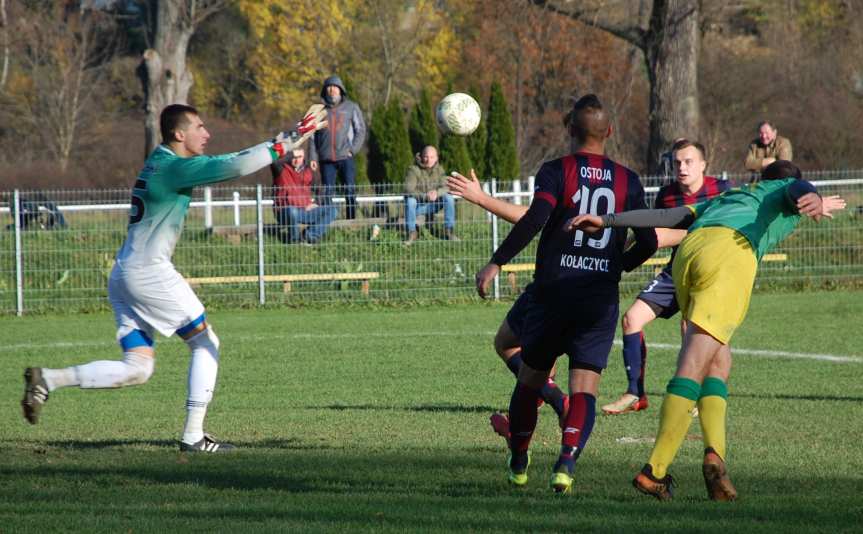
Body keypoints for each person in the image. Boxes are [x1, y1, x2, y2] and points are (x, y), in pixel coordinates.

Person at [19, 103, 327, 452]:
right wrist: (295, 135)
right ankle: (194, 436)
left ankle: (49, 379)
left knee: (138, 369)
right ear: (179, 135)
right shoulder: (174, 168)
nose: (206, 133)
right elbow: (236, 164)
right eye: (199, 127)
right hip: (148, 272)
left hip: (123, 273)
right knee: (205, 342)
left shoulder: (159, 161)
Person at [566, 160, 845, 501]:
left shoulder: (734, 195)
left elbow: (668, 218)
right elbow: (794, 188)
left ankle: (715, 458)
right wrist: (811, 194)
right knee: (693, 366)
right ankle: (653, 470)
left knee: (718, 362)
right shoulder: (785, 189)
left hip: (689, 255)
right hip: (727, 257)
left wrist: (609, 220)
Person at [474, 94, 658, 493]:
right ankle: (566, 462)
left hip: (553, 293)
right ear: (609, 132)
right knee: (585, 387)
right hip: (597, 299)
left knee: (530, 380)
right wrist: (616, 267)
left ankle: (520, 461)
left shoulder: (557, 170)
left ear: (569, 129)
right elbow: (648, 243)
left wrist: (497, 261)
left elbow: (536, 219)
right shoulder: (628, 180)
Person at [602, 139, 730, 415]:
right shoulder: (667, 195)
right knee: (631, 318)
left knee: (692, 328)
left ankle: (697, 396)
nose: (681, 167)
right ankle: (635, 393)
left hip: (711, 274)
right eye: (676, 162)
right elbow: (650, 236)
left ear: (704, 165)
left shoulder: (722, 191)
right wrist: (617, 255)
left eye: (688, 161)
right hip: (676, 271)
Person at [447, 169, 569, 440]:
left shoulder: (562, 171)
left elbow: (533, 218)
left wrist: (481, 199)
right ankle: (530, 418)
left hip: (552, 283)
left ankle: (554, 408)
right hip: (593, 289)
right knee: (544, 358)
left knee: (507, 343)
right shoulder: (611, 179)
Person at [309, 75, 366, 220]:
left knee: (350, 190)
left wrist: (352, 149)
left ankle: (351, 222)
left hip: (345, 156)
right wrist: (313, 157)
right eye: (329, 87)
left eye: (335, 87)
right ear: (325, 90)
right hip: (325, 158)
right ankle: (328, 222)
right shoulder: (317, 110)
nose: (332, 90)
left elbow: (361, 130)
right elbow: (310, 135)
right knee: (327, 192)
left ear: (341, 90)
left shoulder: (351, 107)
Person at [271, 147, 337, 244]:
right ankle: (295, 240)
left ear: (304, 157)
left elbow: (320, 189)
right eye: (294, 157)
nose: (297, 160)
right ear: (289, 157)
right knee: (291, 210)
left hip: (305, 210)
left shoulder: (309, 171)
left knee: (332, 210)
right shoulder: (280, 169)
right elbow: (274, 162)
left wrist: (316, 203)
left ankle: (310, 235)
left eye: (300, 157)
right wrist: (292, 153)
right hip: (285, 212)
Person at [404, 145, 459, 245]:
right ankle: (412, 233)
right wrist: (425, 196)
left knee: (449, 198)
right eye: (426, 156)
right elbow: (409, 189)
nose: (429, 160)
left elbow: (446, 187)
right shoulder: (413, 170)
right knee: (410, 201)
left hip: (434, 205)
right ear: (421, 157)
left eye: (432, 157)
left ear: (436, 158)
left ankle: (449, 231)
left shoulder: (440, 170)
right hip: (418, 207)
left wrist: (436, 193)